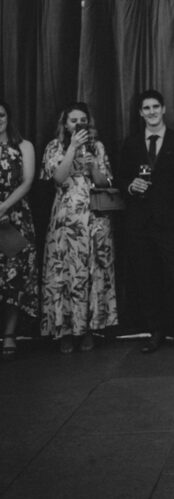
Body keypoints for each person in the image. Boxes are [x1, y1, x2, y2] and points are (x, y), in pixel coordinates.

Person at [119, 90, 174, 354]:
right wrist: (130, 186)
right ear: (140, 113)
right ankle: (155, 332)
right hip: (139, 225)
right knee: (146, 280)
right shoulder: (130, 143)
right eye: (146, 108)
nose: (151, 112)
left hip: (173, 224)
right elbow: (119, 179)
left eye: (155, 107)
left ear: (163, 109)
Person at [40, 102, 118, 353]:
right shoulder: (54, 147)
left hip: (94, 220)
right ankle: (64, 331)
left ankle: (88, 328)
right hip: (65, 221)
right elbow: (58, 178)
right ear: (65, 124)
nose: (78, 124)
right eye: (73, 120)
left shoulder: (98, 146)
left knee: (91, 272)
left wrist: (94, 163)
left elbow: (104, 182)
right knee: (65, 274)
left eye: (82, 120)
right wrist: (72, 148)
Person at [0, 100, 38, 361]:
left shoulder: (24, 146)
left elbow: (27, 182)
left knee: (14, 277)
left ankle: (10, 334)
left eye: (0, 115)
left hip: (15, 217)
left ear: (8, 117)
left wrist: (2, 207)